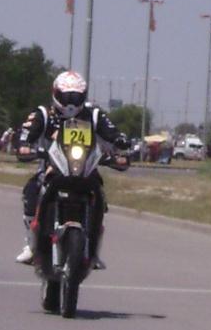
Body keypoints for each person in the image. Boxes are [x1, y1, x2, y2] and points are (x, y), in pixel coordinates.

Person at [14, 70, 129, 268]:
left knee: (100, 196)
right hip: (52, 168)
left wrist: (120, 142)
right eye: (65, 97)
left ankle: (93, 249)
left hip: (85, 169)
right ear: (55, 94)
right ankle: (31, 245)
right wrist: (24, 144)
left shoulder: (93, 114)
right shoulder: (43, 113)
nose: (70, 103)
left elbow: (111, 132)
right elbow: (26, 131)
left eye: (75, 97)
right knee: (32, 190)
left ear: (83, 96)